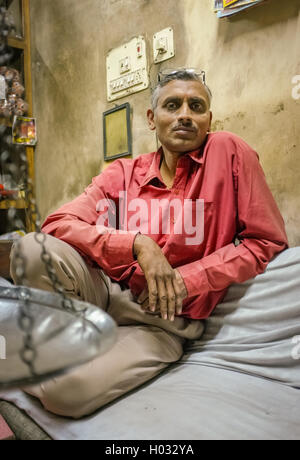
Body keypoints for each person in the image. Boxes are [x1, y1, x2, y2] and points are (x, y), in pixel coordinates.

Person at [10, 68, 288, 419]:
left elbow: (265, 241)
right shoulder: (123, 173)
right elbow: (57, 224)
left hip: (161, 323)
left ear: (209, 120)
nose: (185, 114)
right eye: (173, 105)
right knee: (32, 248)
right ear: (152, 118)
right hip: (101, 292)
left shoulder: (229, 153)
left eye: (196, 106)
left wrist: (189, 280)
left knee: (68, 393)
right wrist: (137, 243)